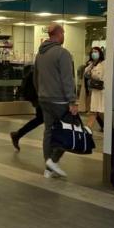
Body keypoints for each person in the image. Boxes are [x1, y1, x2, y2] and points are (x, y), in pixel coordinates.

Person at [34, 23, 78, 178]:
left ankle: (48, 167)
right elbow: (67, 79)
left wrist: (41, 93)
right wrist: (72, 100)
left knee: (49, 131)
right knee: (69, 130)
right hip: (59, 100)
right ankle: (53, 160)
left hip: (44, 98)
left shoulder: (40, 54)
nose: (64, 36)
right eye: (64, 33)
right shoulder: (62, 53)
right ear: (59, 34)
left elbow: (35, 77)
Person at [9, 63, 43, 151]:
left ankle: (17, 134)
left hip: (39, 96)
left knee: (40, 118)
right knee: (45, 119)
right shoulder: (46, 61)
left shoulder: (41, 60)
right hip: (41, 96)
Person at [82, 46, 105, 131]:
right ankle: (90, 128)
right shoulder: (92, 63)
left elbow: (98, 76)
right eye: (92, 52)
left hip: (101, 90)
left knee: (95, 111)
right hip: (94, 90)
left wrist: (91, 72)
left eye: (96, 51)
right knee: (96, 110)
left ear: (100, 53)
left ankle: (87, 129)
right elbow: (85, 73)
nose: (94, 53)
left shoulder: (103, 63)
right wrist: (90, 67)